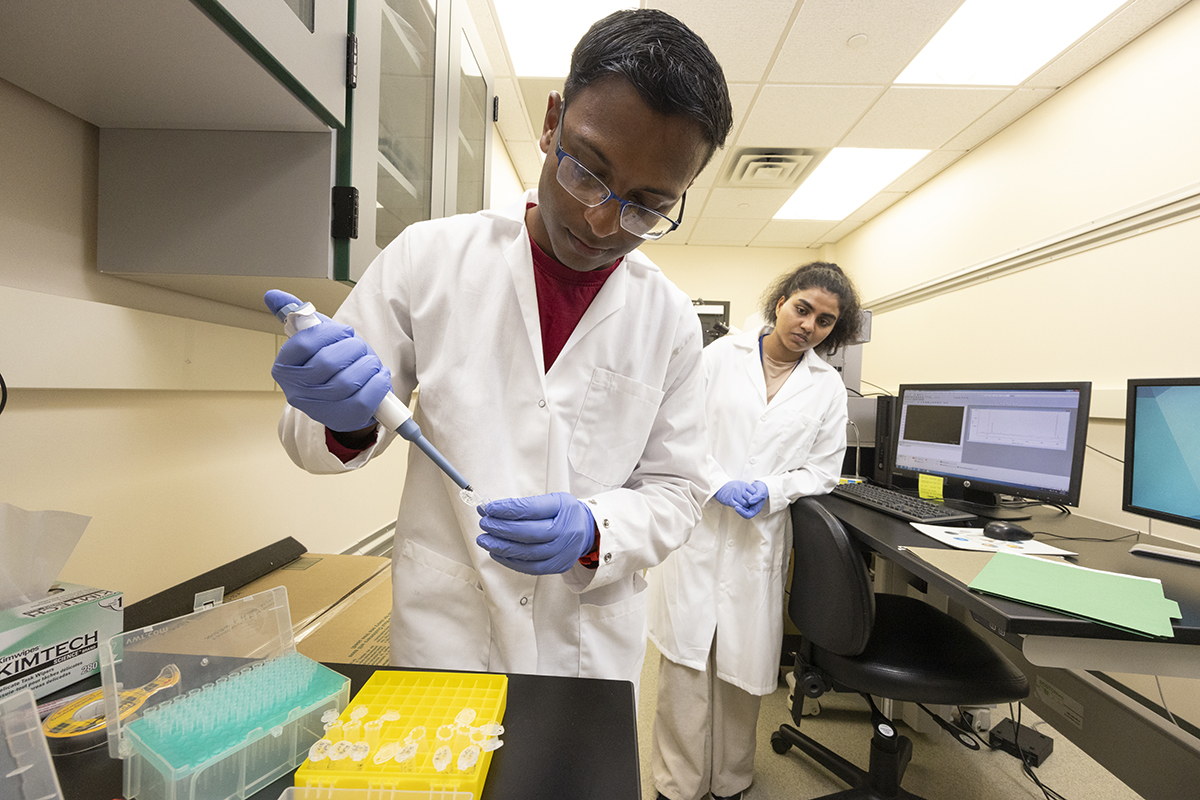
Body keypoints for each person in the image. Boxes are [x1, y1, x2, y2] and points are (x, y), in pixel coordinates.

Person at [267, 9, 732, 686]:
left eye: (646, 206)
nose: (601, 221)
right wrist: (341, 417)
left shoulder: (669, 321)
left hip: (585, 654)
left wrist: (596, 529)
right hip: (447, 635)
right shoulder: (432, 258)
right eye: (588, 171)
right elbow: (312, 444)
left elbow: (679, 492)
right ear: (551, 121)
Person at [646, 262, 863, 800]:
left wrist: (771, 492)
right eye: (802, 308)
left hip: (758, 535)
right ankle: (678, 785)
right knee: (685, 664)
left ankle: (732, 781)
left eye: (825, 321)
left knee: (740, 670)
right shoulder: (720, 356)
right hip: (698, 523)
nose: (809, 325)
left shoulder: (827, 387)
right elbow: (679, 431)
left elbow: (824, 469)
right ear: (780, 302)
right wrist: (718, 483)